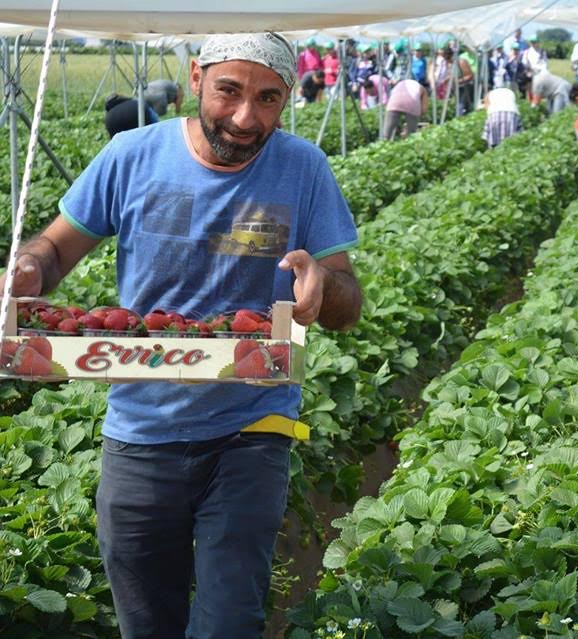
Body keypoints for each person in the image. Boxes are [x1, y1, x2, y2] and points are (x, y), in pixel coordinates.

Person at [4, 32, 362, 638]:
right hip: (141, 426)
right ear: (195, 78)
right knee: (146, 621)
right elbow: (54, 250)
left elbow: (349, 304)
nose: (247, 117)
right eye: (230, 91)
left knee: (228, 622)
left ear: (287, 99)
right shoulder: (130, 156)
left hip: (253, 423)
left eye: (269, 99)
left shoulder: (304, 168)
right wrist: (29, 268)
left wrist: (323, 282)